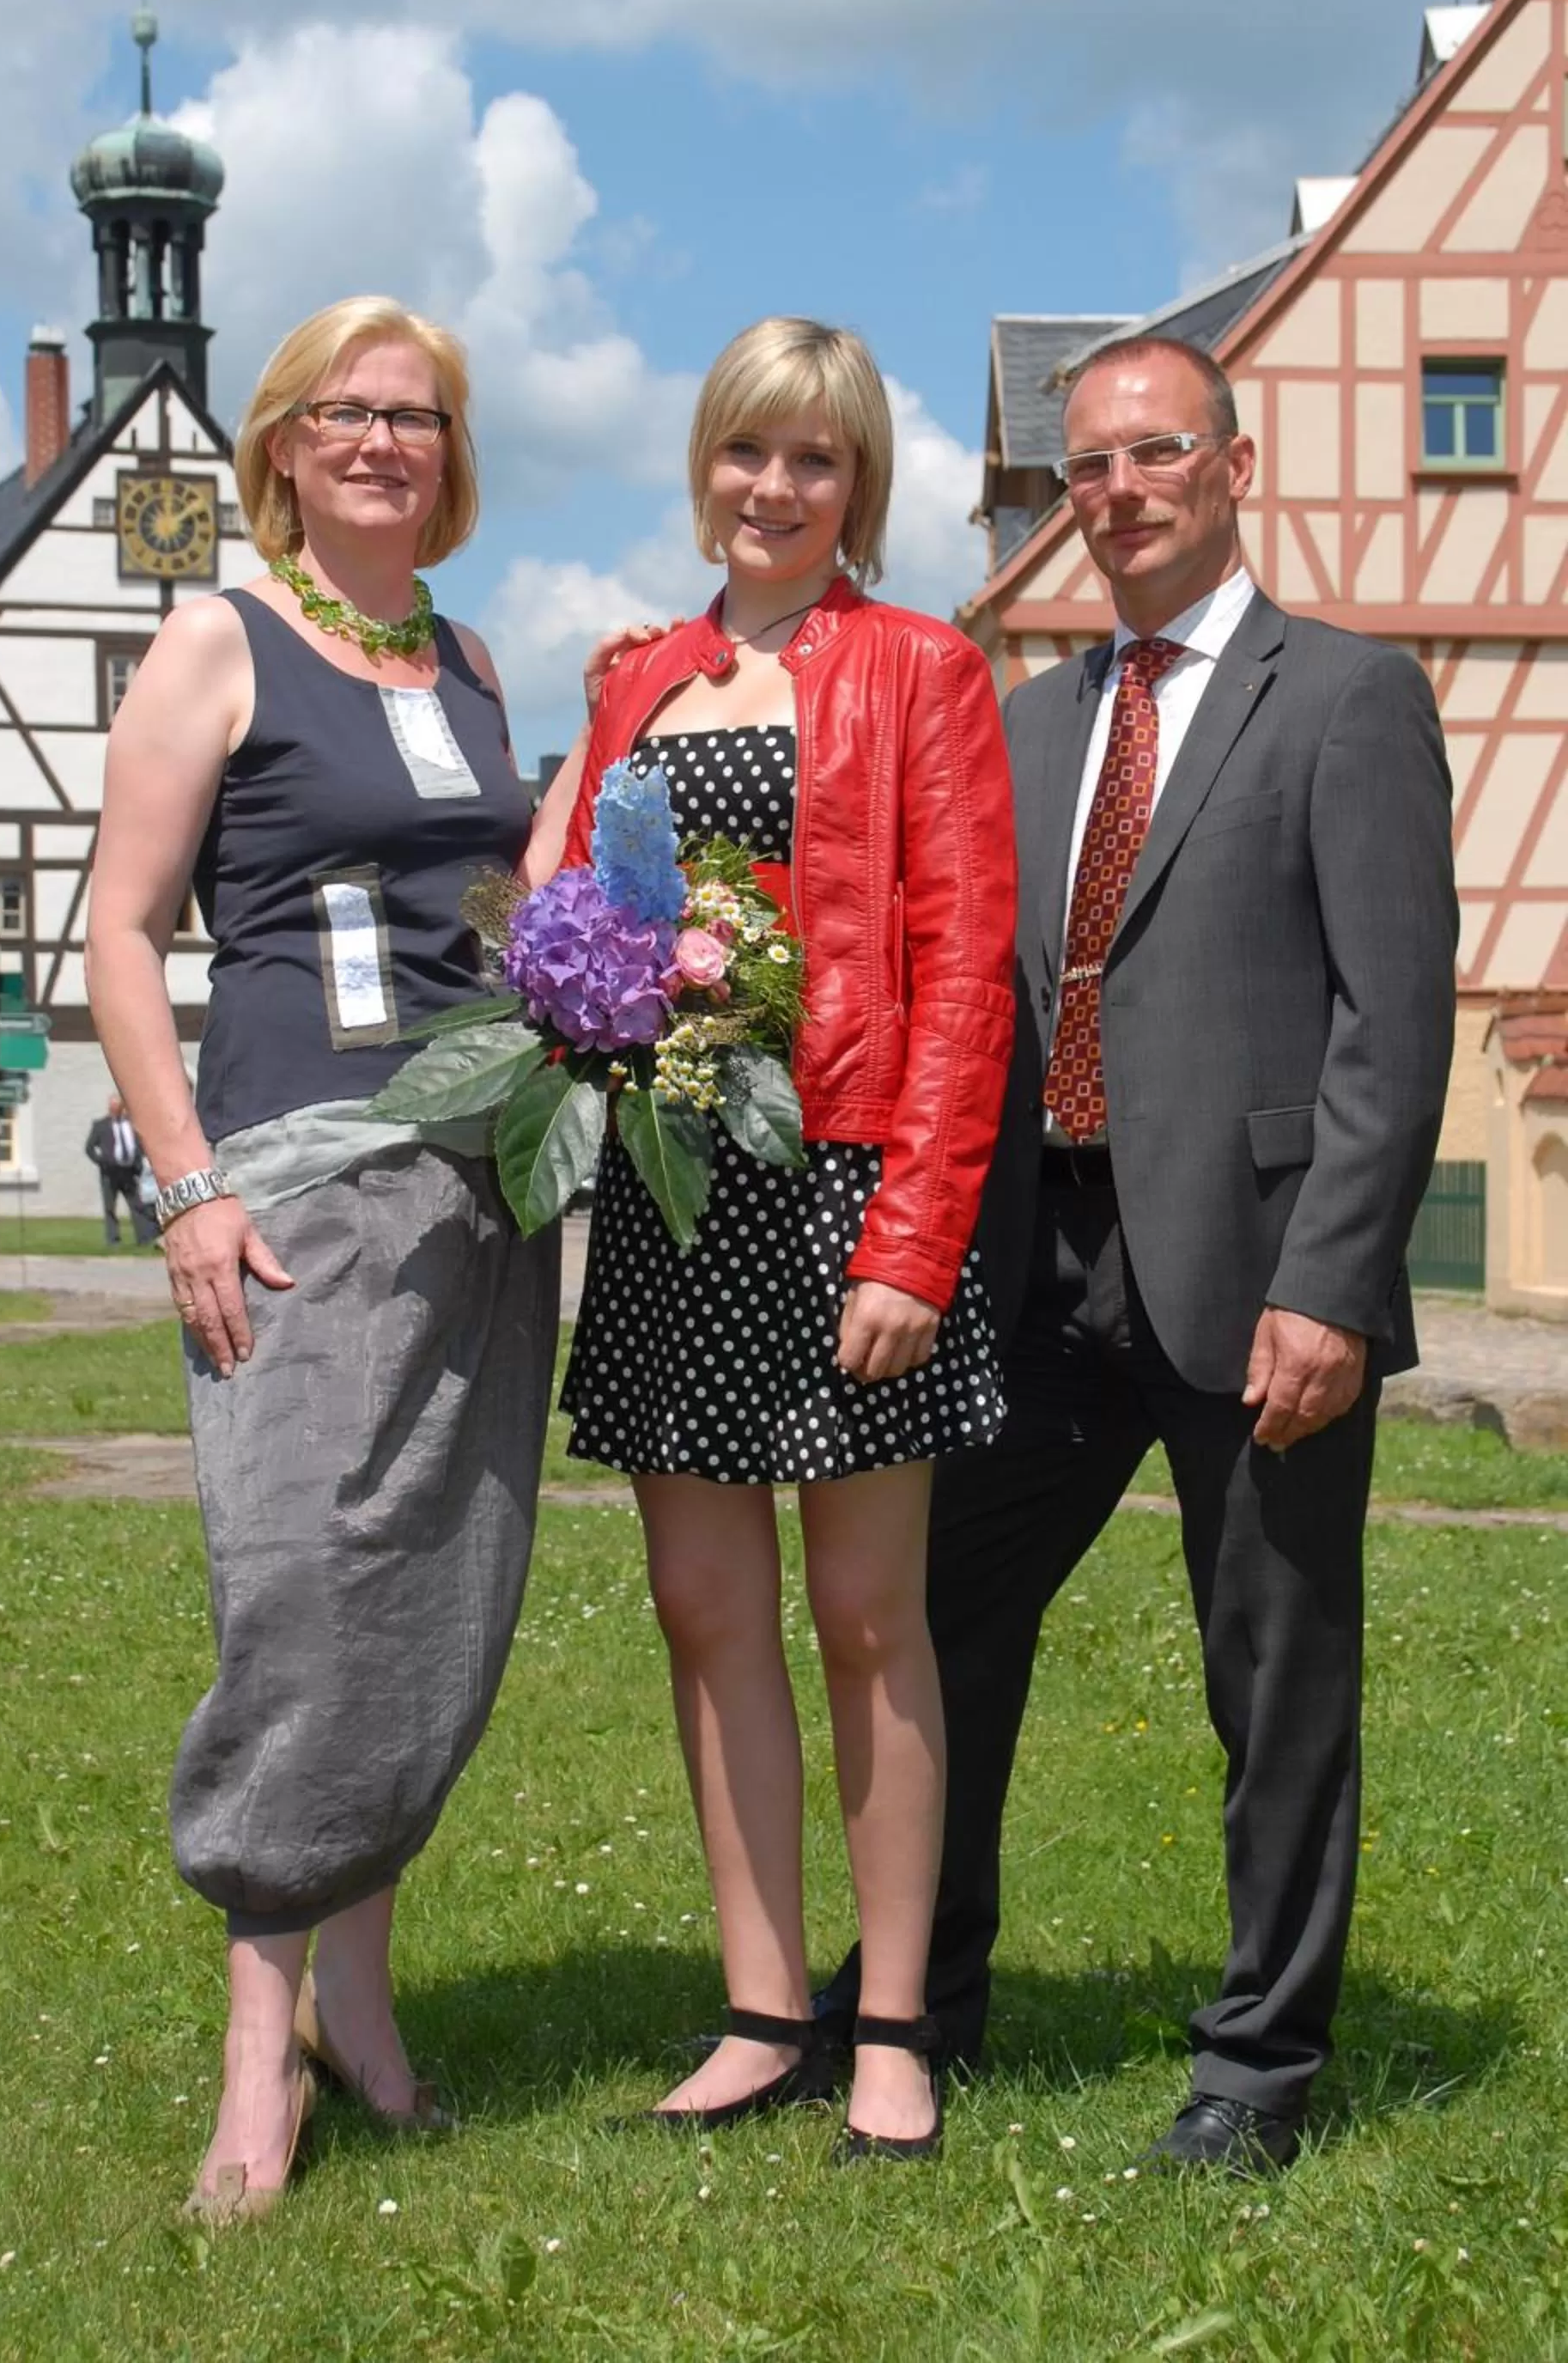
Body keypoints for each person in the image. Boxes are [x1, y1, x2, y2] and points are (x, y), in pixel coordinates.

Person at [819, 333, 1457, 2173]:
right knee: (945, 1624)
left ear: (1233, 466)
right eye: (1086, 469)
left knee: (1273, 1668)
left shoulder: (1347, 698)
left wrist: (1334, 1283)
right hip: (1041, 1265)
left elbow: (1390, 1029)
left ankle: (1259, 2062)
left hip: (1259, 1273)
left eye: (1156, 455)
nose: (1119, 493)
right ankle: (918, 2005)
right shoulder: (1024, 725)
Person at [85, 295, 565, 2221]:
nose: (385, 442)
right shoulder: (218, 635)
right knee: (303, 1588)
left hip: (489, 1178)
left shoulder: (466, 659)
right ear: (282, 442)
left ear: (453, 458)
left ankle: (361, 2011)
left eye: (421, 418)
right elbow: (124, 933)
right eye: (349, 413)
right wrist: (187, 1184)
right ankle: (254, 2058)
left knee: (437, 1591)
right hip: (295, 1172)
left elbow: (497, 916)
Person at [556, 318, 1017, 2160]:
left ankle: (885, 2021)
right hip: (676, 1189)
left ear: (860, 488)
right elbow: (576, 901)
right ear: (705, 466)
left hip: (842, 1188)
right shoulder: (638, 677)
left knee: (868, 1617)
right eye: (749, 452)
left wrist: (912, 1239)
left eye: (815, 461)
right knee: (704, 1609)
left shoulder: (925, 669)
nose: (775, 489)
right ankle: (763, 2005)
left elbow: (968, 970)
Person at [83, 1094, 157, 1245]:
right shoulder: (100, 1125)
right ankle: (113, 1239)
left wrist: (139, 1160)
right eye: (113, 1107)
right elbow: (89, 1148)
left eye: (118, 1107)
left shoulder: (131, 1124)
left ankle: (144, 1238)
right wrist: (102, 1162)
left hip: (129, 1172)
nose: (115, 1110)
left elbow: (139, 1145)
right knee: (110, 1207)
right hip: (110, 1173)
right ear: (109, 1108)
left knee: (137, 1205)